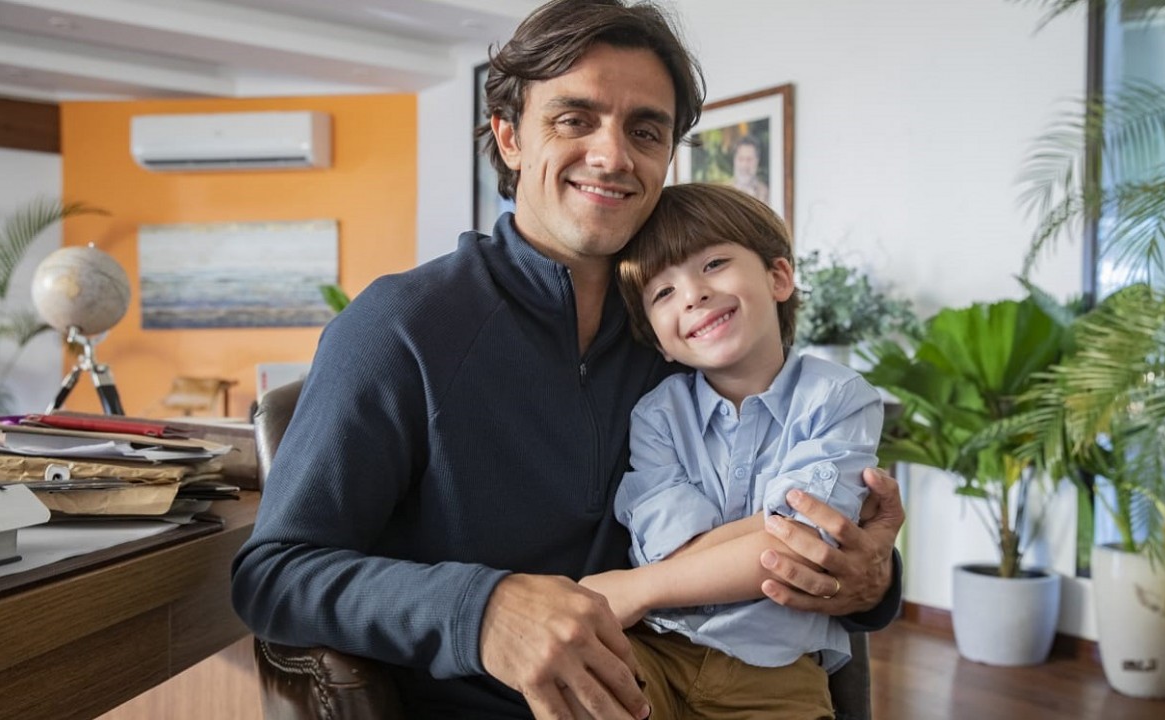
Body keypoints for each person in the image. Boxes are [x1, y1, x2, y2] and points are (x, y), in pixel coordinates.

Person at [231, 1, 905, 718]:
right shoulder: (400, 329)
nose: (613, 156)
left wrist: (872, 580)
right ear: (509, 136)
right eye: (574, 118)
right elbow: (274, 575)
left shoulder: (689, 333)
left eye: (645, 131)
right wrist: (483, 610)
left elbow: (788, 501)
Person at [579, 183, 883, 719]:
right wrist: (771, 523)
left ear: (778, 276)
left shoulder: (837, 397)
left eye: (714, 263)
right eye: (662, 293)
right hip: (658, 650)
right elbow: (671, 549)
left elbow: (801, 548)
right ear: (655, 337)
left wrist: (637, 588)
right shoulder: (657, 415)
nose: (692, 293)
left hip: (779, 671)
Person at [730, 134, 769, 203]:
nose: (744, 165)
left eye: (749, 159)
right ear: (734, 160)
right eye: (741, 159)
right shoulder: (725, 191)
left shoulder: (766, 193)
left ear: (757, 161)